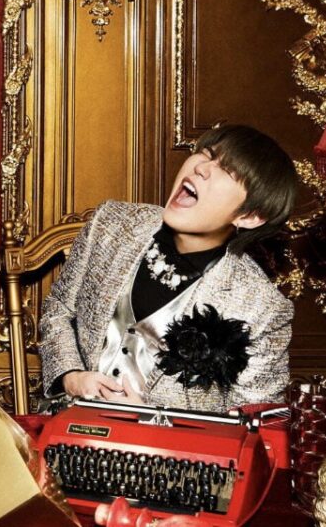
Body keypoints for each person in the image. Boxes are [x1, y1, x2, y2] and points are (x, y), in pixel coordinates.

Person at [39, 124, 298, 413]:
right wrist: (71, 377)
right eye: (206, 154)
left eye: (226, 170)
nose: (202, 168)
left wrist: (154, 422)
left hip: (165, 442)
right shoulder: (110, 222)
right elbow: (59, 308)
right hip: (67, 422)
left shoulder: (262, 307)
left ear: (249, 216)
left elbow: (254, 420)